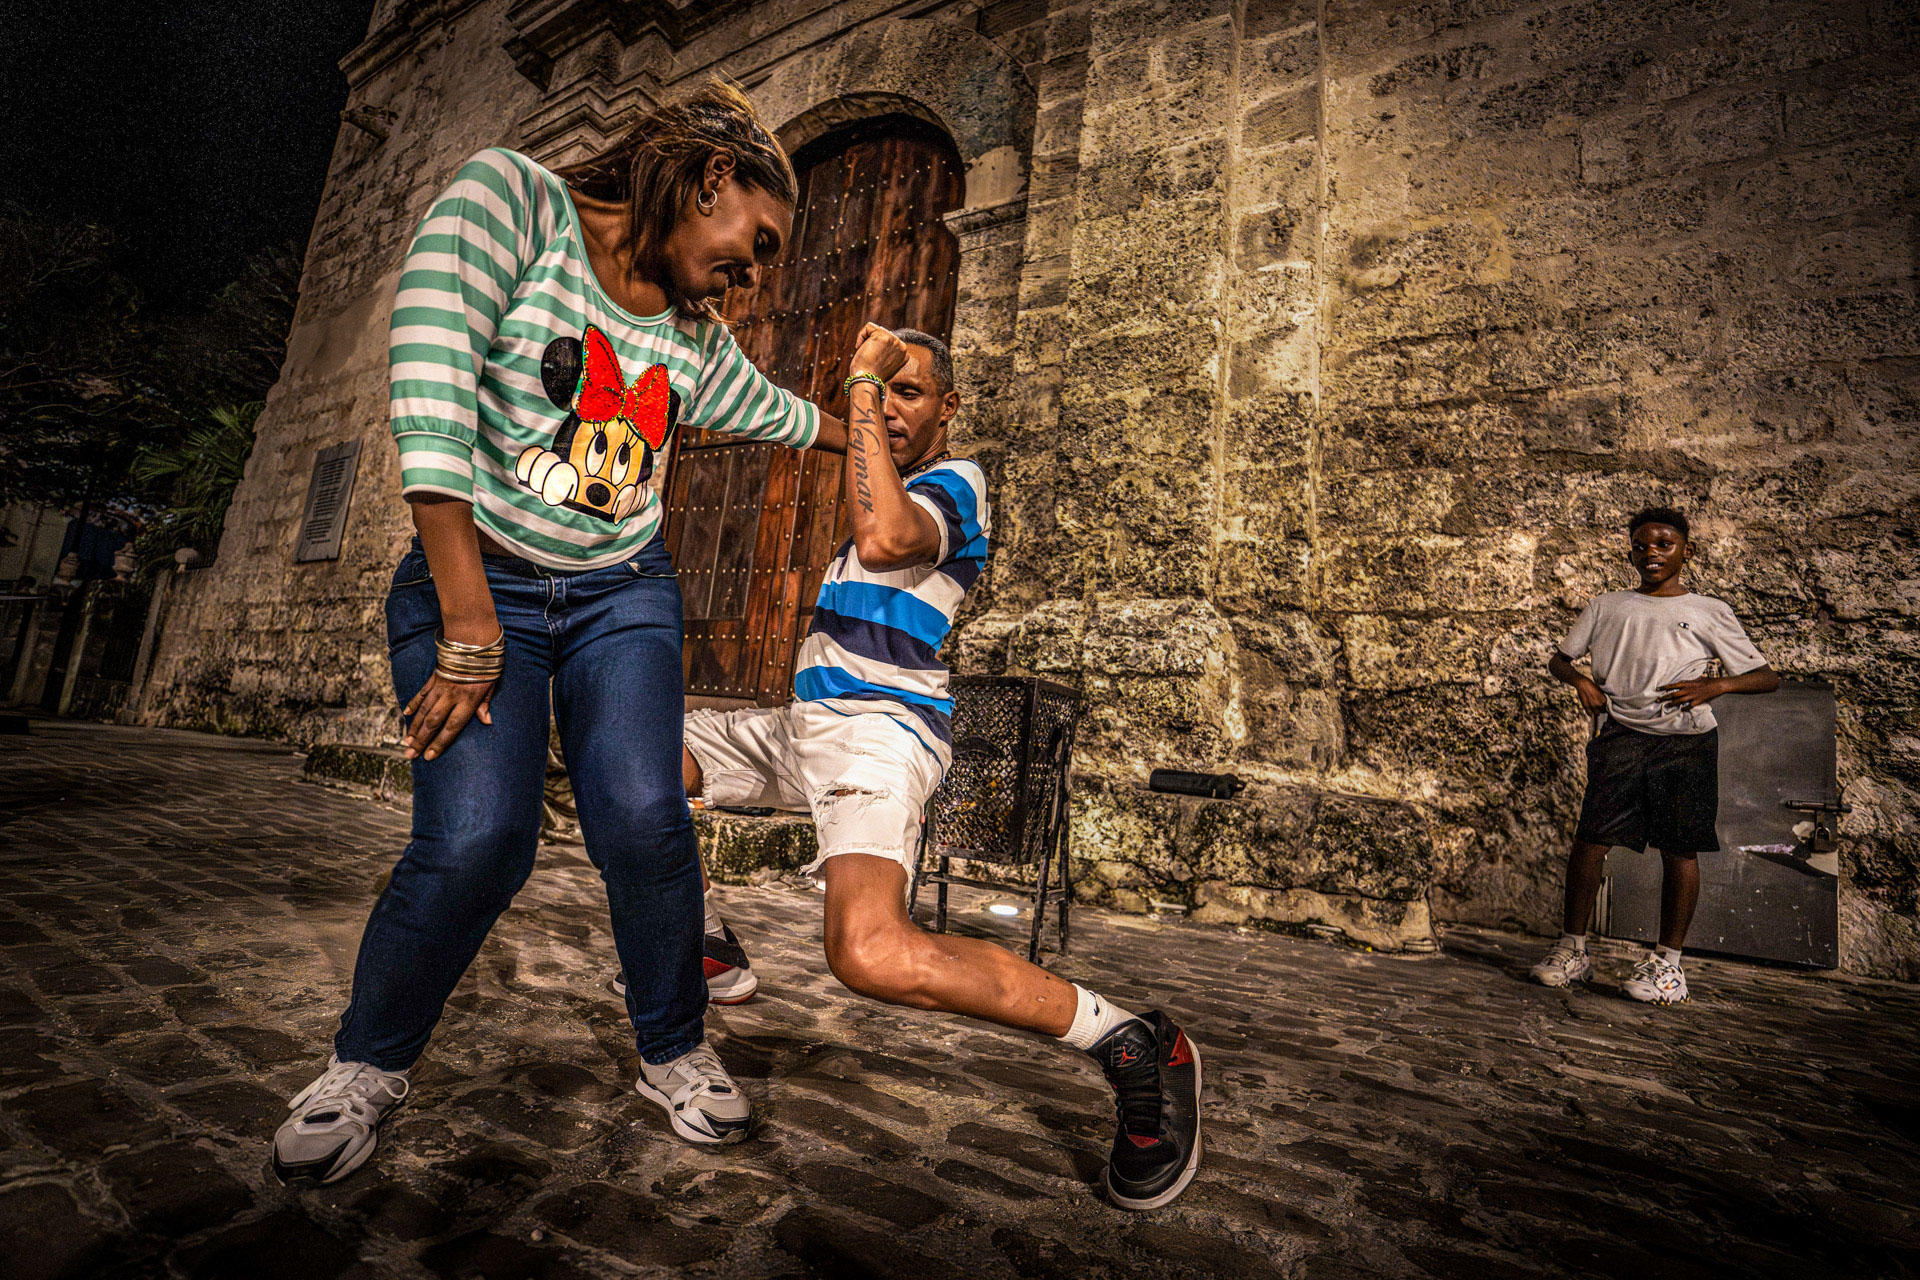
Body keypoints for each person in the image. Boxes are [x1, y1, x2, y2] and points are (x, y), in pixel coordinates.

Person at [273, 81, 877, 1184]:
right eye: (757, 241)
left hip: (620, 594)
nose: (754, 276)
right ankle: (366, 1062)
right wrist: (468, 628)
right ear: (711, 179)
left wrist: (871, 431)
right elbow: (431, 403)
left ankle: (674, 1044)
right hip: (480, 583)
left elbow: (776, 411)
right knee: (478, 839)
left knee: (646, 816)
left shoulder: (690, 338)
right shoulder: (511, 201)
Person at [638, 327, 1204, 1210]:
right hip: (803, 727)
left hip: (878, 732)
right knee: (634, 761)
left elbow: (885, 536)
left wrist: (860, 386)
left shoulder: (957, 484)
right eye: (884, 390)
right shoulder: (891, 483)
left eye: (910, 391)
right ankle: (704, 942)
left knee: (869, 953)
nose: (891, 406)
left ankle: (1134, 1042)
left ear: (948, 407)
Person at [1531, 506, 1779, 1004]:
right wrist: (1580, 680)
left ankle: (1668, 965)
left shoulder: (1710, 610)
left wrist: (1715, 686)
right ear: (1631, 553)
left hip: (1685, 743)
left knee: (1680, 849)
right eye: (1641, 545)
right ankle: (1572, 950)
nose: (1652, 553)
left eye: (1664, 544)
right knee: (1590, 841)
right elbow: (1559, 660)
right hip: (1621, 736)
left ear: (1686, 551)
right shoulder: (1607, 605)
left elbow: (1766, 677)